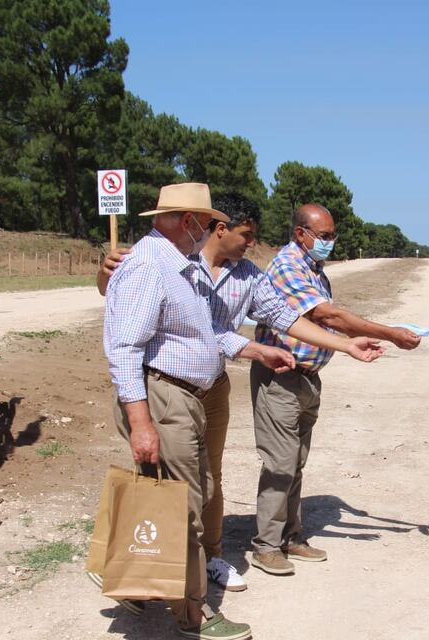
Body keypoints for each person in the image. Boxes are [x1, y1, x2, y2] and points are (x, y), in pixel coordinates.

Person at [99, 192, 384, 593]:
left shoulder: (245, 275)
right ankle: (172, 591)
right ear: (210, 226)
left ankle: (198, 561)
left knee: (207, 481)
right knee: (175, 489)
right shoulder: (173, 262)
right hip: (165, 387)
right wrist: (104, 271)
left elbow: (268, 321)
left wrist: (335, 345)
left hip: (211, 386)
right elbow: (121, 314)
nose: (252, 243)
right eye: (246, 234)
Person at [104, 182, 289, 640]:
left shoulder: (180, 265)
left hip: (184, 396)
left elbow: (203, 334)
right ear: (188, 222)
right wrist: (141, 422)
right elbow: (125, 348)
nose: (210, 233)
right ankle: (193, 613)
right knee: (182, 503)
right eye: (206, 224)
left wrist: (254, 351)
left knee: (178, 493)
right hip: (165, 397)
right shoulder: (149, 267)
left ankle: (140, 583)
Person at [249, 203, 422, 576]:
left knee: (295, 461)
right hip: (280, 378)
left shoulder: (314, 269)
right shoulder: (288, 267)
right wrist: (389, 332)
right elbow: (327, 316)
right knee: (279, 463)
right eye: (323, 236)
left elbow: (331, 321)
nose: (330, 242)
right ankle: (266, 545)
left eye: (332, 235)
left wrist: (357, 339)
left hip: (308, 378)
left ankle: (291, 536)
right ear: (300, 234)